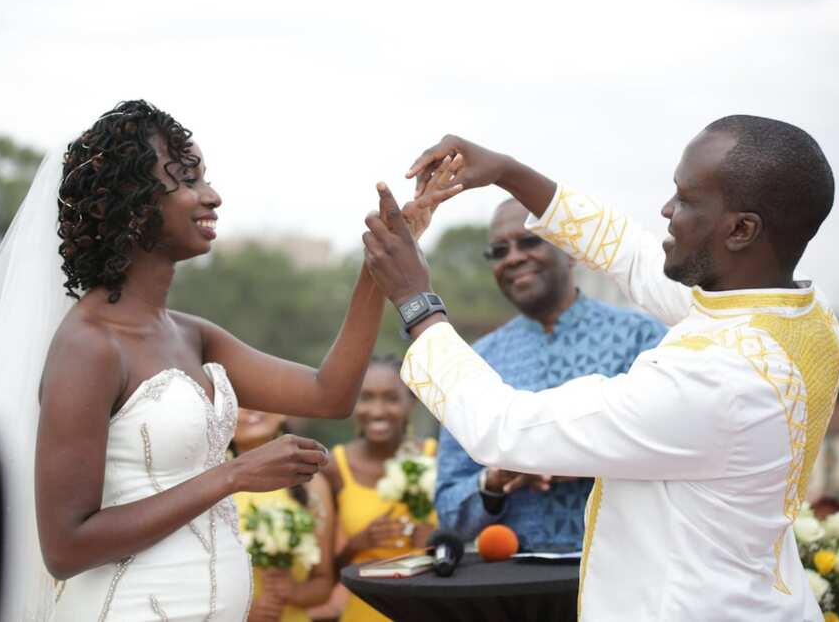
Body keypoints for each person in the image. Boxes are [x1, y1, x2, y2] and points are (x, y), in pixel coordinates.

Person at [0, 100, 452, 621]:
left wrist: (378, 264)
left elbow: (328, 395)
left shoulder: (192, 335)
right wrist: (233, 475)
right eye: (188, 180)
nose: (212, 195)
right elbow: (66, 545)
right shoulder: (89, 345)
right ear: (130, 203)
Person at [360, 116, 839, 621]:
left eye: (684, 199)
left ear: (741, 229)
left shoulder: (721, 375)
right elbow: (632, 257)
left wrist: (416, 301)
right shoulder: (802, 313)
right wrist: (507, 172)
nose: (666, 210)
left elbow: (505, 428)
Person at [436, 198, 666, 550]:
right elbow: (450, 512)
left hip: (625, 576)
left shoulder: (641, 339)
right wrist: (496, 480)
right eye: (499, 251)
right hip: (512, 585)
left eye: (529, 241)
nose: (513, 257)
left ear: (571, 251)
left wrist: (576, 456)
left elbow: (677, 452)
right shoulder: (474, 364)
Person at [322, 356, 438, 622]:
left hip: (429, 609)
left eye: (391, 398)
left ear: (412, 402)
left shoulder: (437, 457)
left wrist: (436, 544)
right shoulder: (333, 467)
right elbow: (321, 575)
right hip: (363, 612)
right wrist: (356, 545)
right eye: (366, 397)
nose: (377, 411)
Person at [232, 409, 336, 622]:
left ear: (282, 413)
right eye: (241, 402)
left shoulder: (313, 485)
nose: (251, 410)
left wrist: (292, 592)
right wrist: (244, 613)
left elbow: (323, 583)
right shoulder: (208, 482)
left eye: (260, 401)